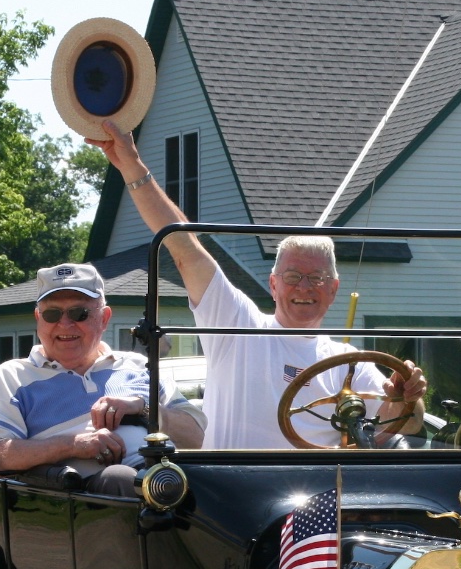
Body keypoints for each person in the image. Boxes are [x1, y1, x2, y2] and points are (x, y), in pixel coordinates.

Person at [89, 119, 427, 450]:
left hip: (317, 487)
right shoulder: (238, 325)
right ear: (273, 285)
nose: (304, 288)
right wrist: (131, 165)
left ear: (334, 289)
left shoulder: (349, 362)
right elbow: (184, 248)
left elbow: (403, 424)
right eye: (292, 277)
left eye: (317, 278)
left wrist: (406, 396)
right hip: (231, 484)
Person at [0, 262, 204, 496]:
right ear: (38, 318)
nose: (65, 324)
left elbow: (196, 438)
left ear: (104, 318)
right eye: (52, 314)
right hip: (84, 496)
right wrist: (73, 445)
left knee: (215, 478)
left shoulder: (140, 366)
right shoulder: (14, 376)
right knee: (122, 479)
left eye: (79, 313)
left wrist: (144, 408)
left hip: (171, 475)